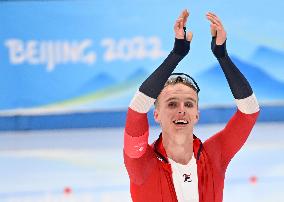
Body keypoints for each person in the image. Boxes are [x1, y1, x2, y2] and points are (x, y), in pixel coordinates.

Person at [123, 9, 260, 202]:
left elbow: (249, 111)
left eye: (189, 104)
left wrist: (222, 55)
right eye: (171, 104)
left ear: (196, 114)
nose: (181, 109)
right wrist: (176, 55)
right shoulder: (141, 163)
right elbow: (137, 110)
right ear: (156, 114)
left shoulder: (214, 155)